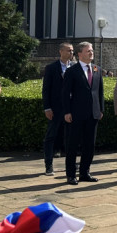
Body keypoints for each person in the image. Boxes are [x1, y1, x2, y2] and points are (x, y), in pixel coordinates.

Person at [62, 41, 104, 185]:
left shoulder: (97, 69)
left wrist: (101, 109)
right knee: (73, 145)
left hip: (93, 114)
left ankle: (85, 173)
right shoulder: (72, 71)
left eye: (92, 50)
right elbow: (65, 93)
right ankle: (71, 174)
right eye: (88, 51)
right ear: (79, 54)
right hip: (76, 114)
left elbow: (100, 92)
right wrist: (67, 111)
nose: (91, 53)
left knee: (89, 145)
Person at [41, 43, 73, 176]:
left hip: (71, 108)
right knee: (51, 136)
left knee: (71, 137)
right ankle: (49, 165)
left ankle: (71, 165)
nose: (71, 52)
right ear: (61, 51)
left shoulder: (75, 67)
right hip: (56, 108)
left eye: (72, 50)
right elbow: (46, 89)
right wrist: (47, 107)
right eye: (68, 50)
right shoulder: (52, 68)